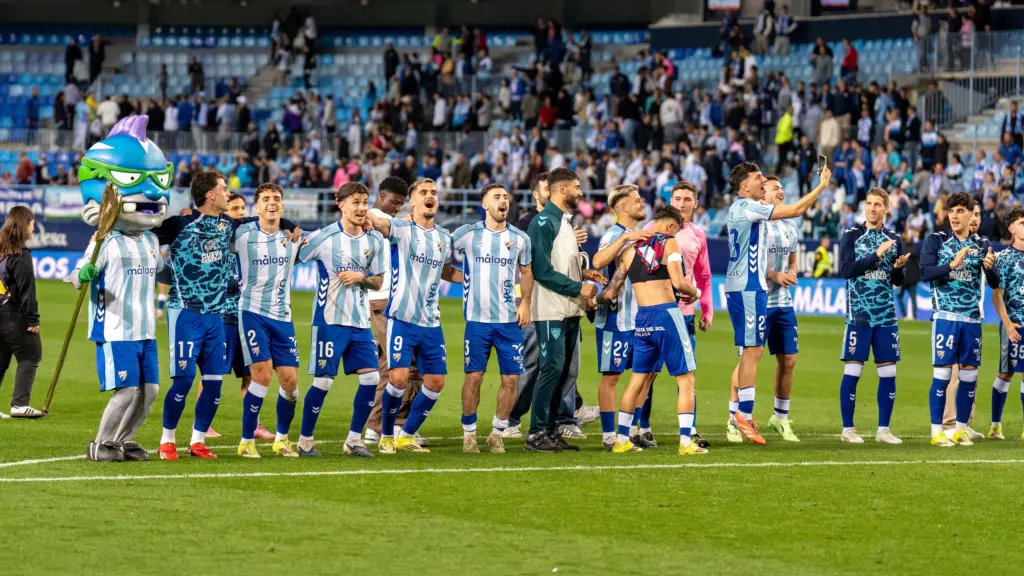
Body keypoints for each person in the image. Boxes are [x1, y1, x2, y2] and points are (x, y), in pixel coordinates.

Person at [152, 172, 299, 460]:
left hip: (216, 316)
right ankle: (166, 440)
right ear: (210, 195)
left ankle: (197, 441)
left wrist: (290, 224)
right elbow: (147, 234)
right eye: (223, 189)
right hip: (185, 312)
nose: (228, 194)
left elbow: (266, 222)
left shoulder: (229, 225)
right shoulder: (180, 224)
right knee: (182, 381)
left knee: (214, 383)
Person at [725, 162, 831, 445]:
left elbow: (791, 224)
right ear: (745, 186)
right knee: (751, 353)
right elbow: (796, 209)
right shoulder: (748, 207)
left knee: (756, 352)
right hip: (747, 288)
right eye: (759, 178)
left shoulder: (759, 215)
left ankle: (750, 416)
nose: (764, 181)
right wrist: (821, 186)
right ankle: (741, 415)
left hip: (755, 289)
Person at [365, 178, 460, 454]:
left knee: (435, 381)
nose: (430, 196)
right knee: (397, 378)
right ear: (413, 201)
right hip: (401, 318)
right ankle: (384, 434)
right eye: (424, 193)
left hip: (431, 321)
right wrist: (362, 211)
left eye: (434, 193)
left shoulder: (443, 236)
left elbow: (445, 270)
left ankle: (405, 434)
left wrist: (471, 277)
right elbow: (381, 223)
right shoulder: (401, 228)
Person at [600, 205, 702, 454]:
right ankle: (686, 443)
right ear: (670, 226)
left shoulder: (629, 250)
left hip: (642, 318)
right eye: (677, 230)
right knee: (686, 379)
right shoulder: (670, 244)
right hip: (667, 314)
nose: (676, 234)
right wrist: (695, 293)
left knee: (636, 380)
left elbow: (612, 289)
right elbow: (679, 283)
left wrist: (594, 300)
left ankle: (621, 440)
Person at [296, 182, 387, 458]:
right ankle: (305, 440)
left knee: (371, 378)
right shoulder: (323, 237)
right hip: (329, 320)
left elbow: (378, 281)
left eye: (364, 202)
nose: (361, 208)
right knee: (323, 382)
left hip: (360, 322)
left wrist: (361, 278)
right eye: (355, 202)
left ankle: (353, 439)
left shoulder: (374, 240)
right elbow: (293, 257)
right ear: (341, 204)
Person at [451, 184, 534, 454]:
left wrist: (526, 304)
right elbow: (436, 254)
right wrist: (461, 277)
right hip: (477, 321)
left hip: (509, 322)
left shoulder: (520, 238)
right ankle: (469, 434)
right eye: (497, 197)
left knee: (511, 379)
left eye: (506, 197)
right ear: (484, 204)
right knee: (473, 377)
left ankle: (497, 432)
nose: (504, 201)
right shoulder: (467, 234)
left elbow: (527, 272)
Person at [525, 167, 603, 452]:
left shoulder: (564, 222)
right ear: (561, 190)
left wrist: (585, 274)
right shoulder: (543, 222)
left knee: (562, 374)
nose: (580, 193)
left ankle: (552, 430)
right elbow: (542, 270)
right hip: (551, 310)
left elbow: (561, 266)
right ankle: (535, 433)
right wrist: (577, 288)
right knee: (551, 370)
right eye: (577, 187)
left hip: (569, 310)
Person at [637, 181, 713, 447]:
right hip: (656, 311)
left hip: (685, 314)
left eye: (687, 199)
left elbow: (704, 276)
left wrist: (707, 310)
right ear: (671, 200)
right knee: (648, 373)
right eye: (677, 198)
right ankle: (642, 427)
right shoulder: (650, 230)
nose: (681, 204)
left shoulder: (698, 235)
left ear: (695, 203)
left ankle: (690, 430)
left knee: (686, 373)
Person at [919, 192, 997, 447]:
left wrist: (990, 267)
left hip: (972, 320)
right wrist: (951, 265)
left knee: (969, 378)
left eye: (960, 210)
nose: (954, 215)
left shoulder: (982, 245)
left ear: (970, 214)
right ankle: (937, 431)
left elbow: (995, 283)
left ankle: (961, 430)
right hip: (946, 318)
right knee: (941, 376)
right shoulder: (937, 241)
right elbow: (925, 273)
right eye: (951, 210)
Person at [231, 184, 303, 458]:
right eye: (265, 200)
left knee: (290, 382)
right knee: (261, 374)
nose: (271, 203)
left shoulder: (293, 237)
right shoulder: (242, 235)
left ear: (282, 205)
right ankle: (246, 441)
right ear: (256, 206)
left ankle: (282, 440)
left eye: (276, 199)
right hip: (252, 312)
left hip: (283, 317)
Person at [836, 188, 909, 444]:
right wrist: (876, 254)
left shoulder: (895, 239)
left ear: (886, 208)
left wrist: (898, 269)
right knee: (853, 371)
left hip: (886, 317)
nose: (872, 208)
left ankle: (883, 430)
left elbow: (898, 281)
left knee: (888, 373)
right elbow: (846, 270)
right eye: (868, 203)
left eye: (878, 204)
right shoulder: (852, 236)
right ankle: (848, 429)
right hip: (859, 316)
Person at [362, 177, 426, 446]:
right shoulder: (376, 218)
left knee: (388, 367)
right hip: (386, 301)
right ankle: (396, 424)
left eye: (401, 204)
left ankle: (376, 426)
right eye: (394, 202)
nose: (397, 208)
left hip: (378, 301)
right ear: (381, 195)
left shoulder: (380, 221)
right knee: (404, 366)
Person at [590, 184, 654, 450]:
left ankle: (631, 432)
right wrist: (624, 240)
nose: (642, 203)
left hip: (641, 319)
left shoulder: (642, 234)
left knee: (644, 375)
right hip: (616, 319)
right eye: (637, 200)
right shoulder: (613, 235)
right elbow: (598, 261)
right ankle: (608, 436)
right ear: (622, 207)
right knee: (612, 377)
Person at [0, 206, 43, 419]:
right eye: (32, 223)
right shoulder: (20, 253)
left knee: (1, 359)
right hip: (13, 314)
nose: (33, 228)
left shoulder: (1, 250)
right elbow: (27, 288)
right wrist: (32, 318)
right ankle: (20, 404)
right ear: (24, 224)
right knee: (31, 354)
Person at [989, 206, 1024, 440]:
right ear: (1011, 228)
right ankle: (995, 424)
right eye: (1022, 223)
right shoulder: (1004, 258)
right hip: (1014, 325)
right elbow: (996, 294)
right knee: (1006, 373)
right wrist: (1007, 323)